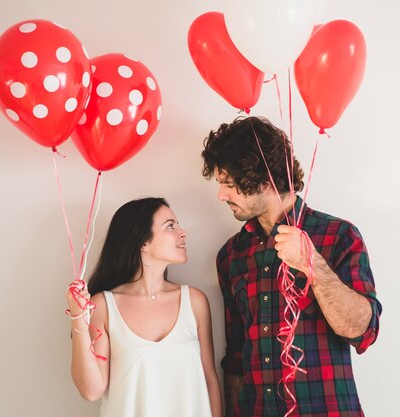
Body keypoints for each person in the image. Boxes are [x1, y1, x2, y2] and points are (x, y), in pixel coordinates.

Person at [201, 116, 382, 417]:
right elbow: (235, 357)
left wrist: (314, 266)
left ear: (262, 177)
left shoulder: (339, 236)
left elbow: (363, 331)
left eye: (229, 184)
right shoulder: (231, 255)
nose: (222, 196)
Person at [66, 197, 222, 417]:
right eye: (170, 226)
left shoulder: (195, 301)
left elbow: (210, 380)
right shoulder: (104, 306)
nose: (182, 232)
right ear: (142, 242)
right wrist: (78, 316)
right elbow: (91, 390)